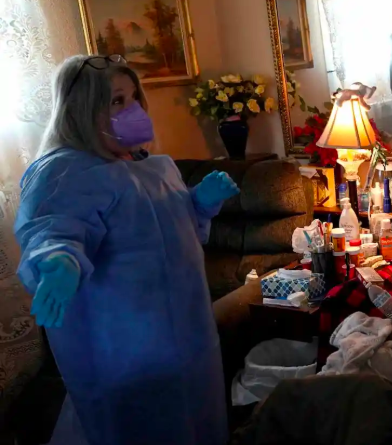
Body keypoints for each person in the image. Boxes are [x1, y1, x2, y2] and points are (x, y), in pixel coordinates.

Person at [14, 54, 239, 445]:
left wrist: (199, 202)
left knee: (197, 422)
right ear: (83, 108)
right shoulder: (65, 172)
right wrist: (59, 260)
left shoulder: (155, 167)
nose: (132, 109)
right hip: (126, 348)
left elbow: (177, 235)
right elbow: (52, 227)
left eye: (133, 98)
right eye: (117, 101)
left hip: (189, 336)